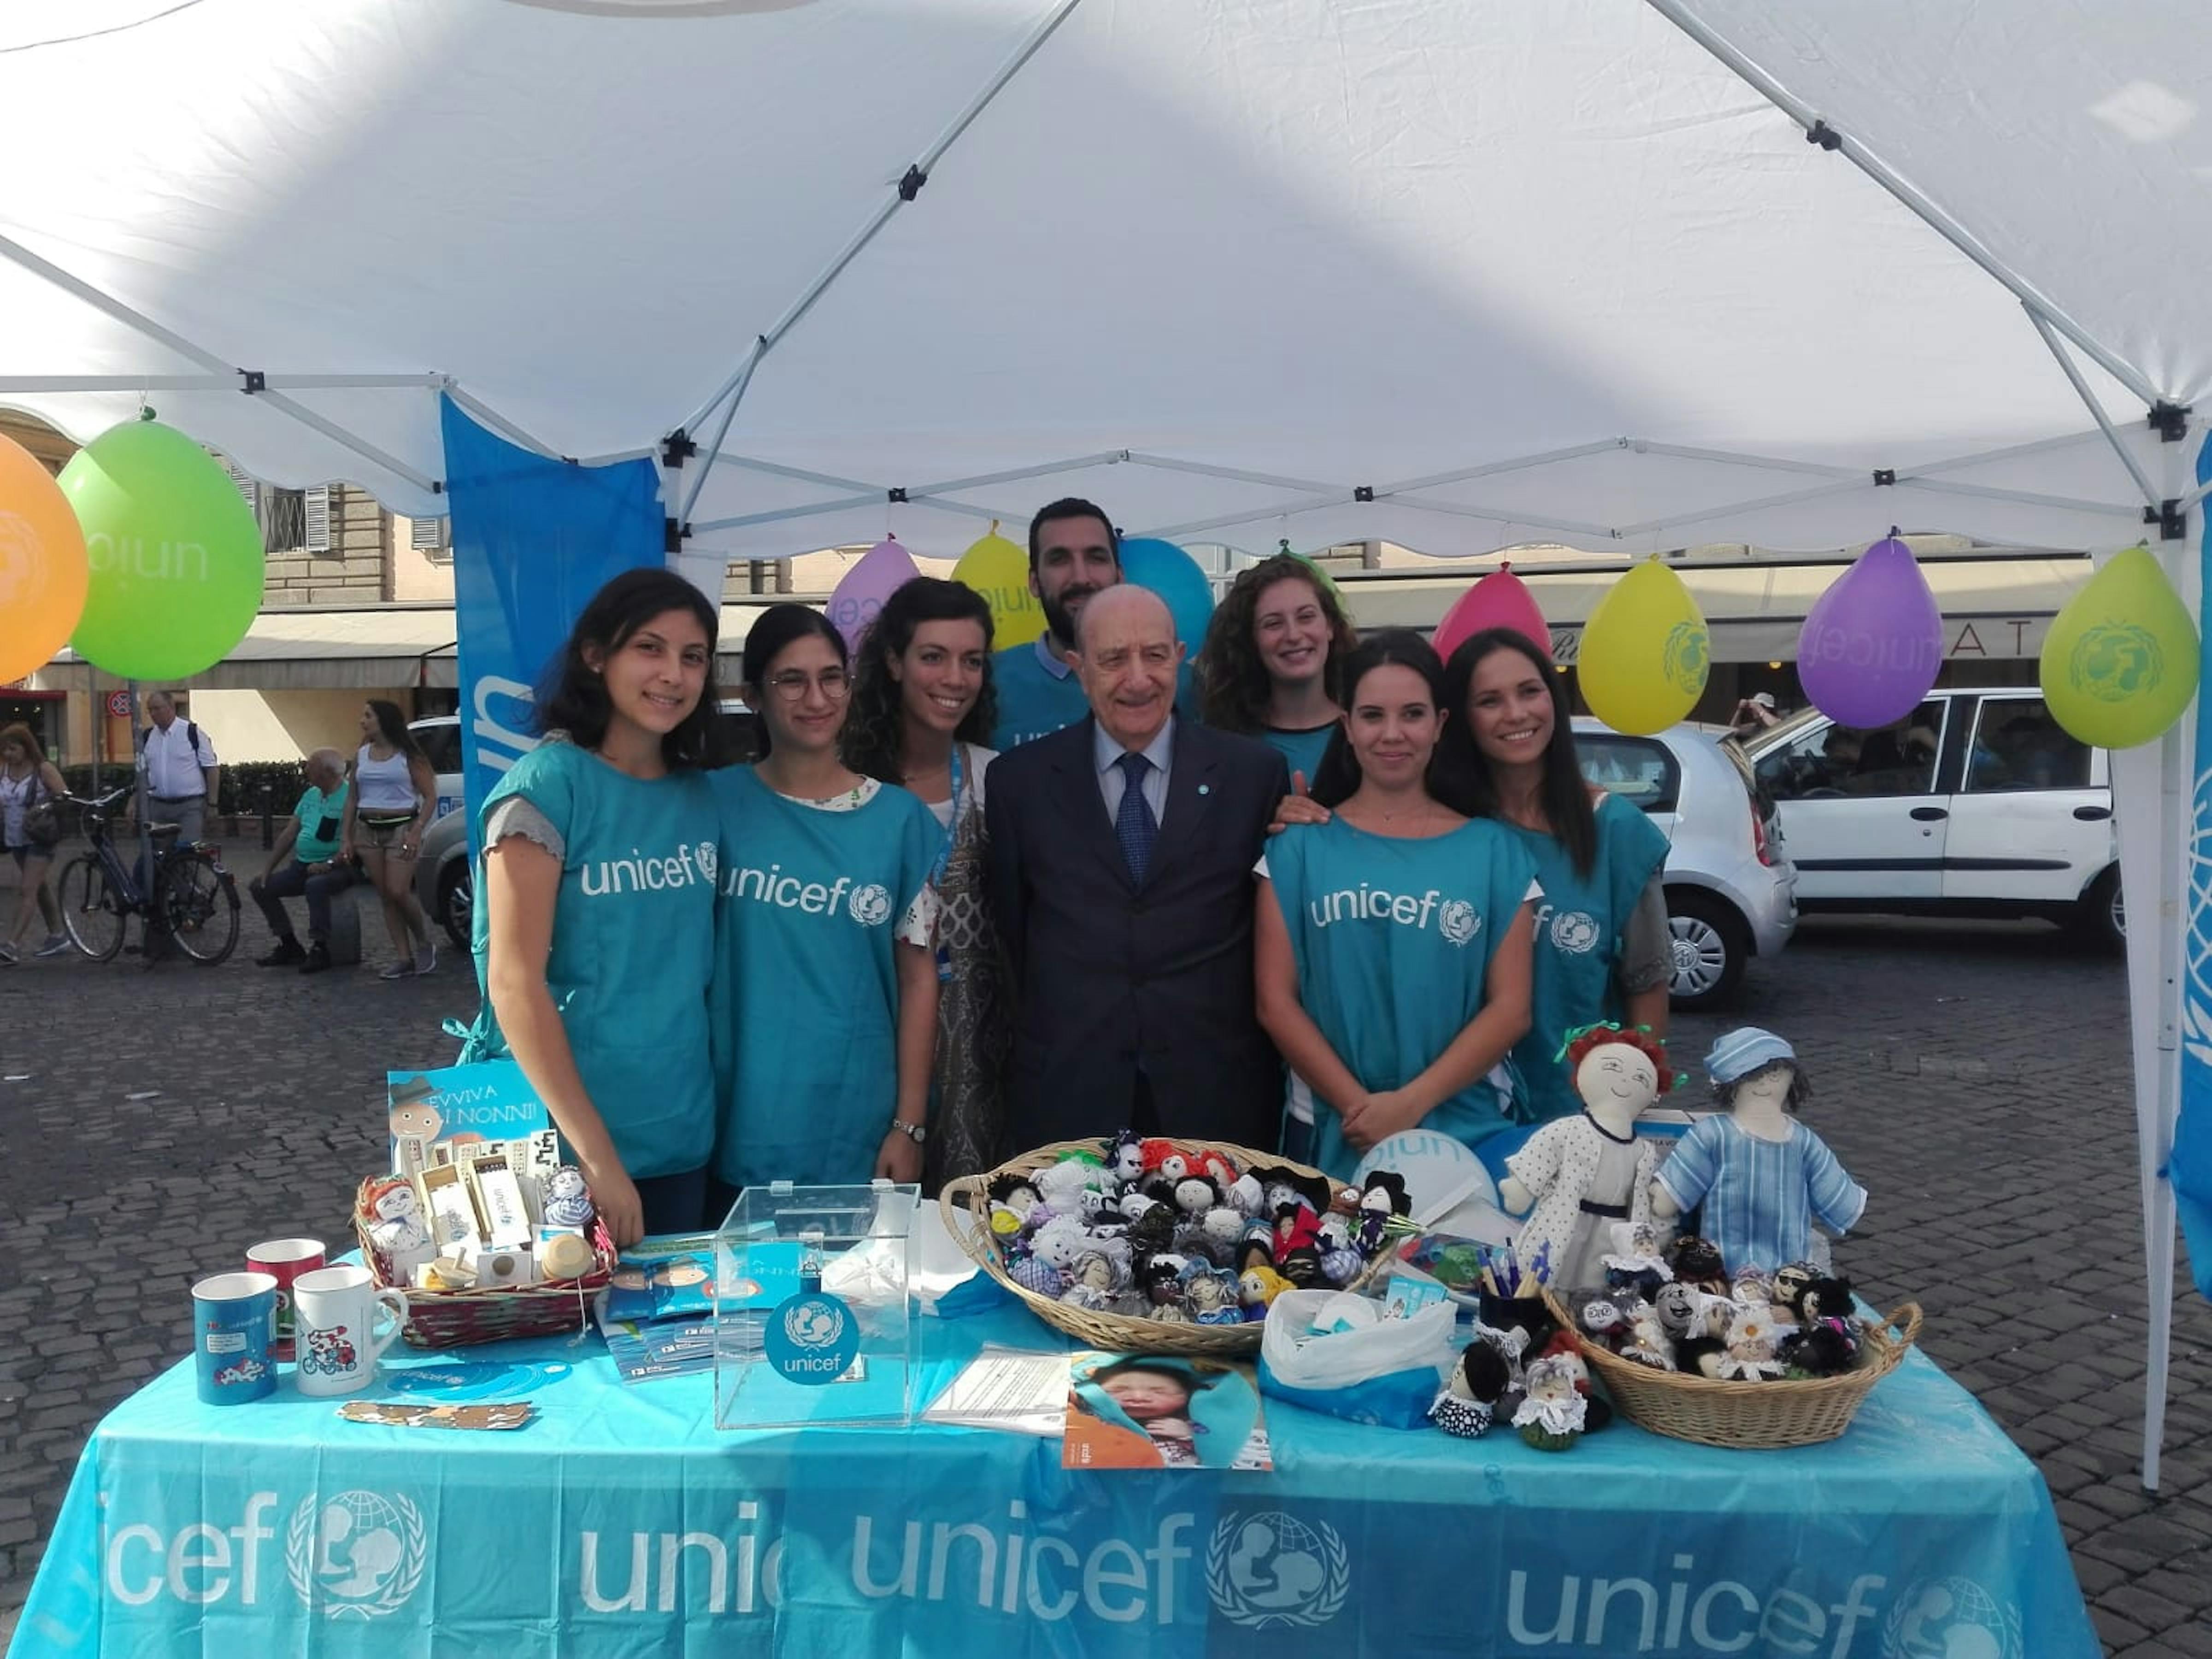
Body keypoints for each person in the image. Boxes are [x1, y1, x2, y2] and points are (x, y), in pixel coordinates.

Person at [465, 567, 725, 1246]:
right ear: (595, 656)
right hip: (572, 1151)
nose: (673, 674)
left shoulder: (699, 796)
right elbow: (513, 981)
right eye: (650, 647)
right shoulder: (546, 789)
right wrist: (596, 1158)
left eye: (693, 657)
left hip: (682, 1133)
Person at [987, 585, 1289, 1150]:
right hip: (1069, 1096)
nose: (1138, 678)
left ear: (1179, 657)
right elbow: (1014, 939)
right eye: (1113, 659)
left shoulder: (1253, 777)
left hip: (1215, 1096)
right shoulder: (1017, 783)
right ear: (1079, 669)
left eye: (1154, 655)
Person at [1254, 631, 1537, 1178]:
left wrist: (1409, 1106)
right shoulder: (1297, 848)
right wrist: (1362, 1111)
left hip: (1470, 1139)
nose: (1392, 734)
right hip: (1335, 1137)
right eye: (1372, 715)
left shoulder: (1496, 851)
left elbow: (1511, 1009)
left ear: (1440, 725)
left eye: (1412, 714)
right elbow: (1275, 1002)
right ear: (1347, 727)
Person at [709, 604, 941, 1208]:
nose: (816, 698)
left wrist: (909, 1124)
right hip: (735, 1122)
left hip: (856, 1128)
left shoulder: (900, 822)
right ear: (753, 695)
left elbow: (919, 979)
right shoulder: (711, 805)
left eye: (831, 677)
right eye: (792, 680)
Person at [1434, 629, 1673, 1130]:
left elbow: (1647, 982)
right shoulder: (1449, 825)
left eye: (1529, 691)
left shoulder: (1618, 831)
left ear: (1553, 699)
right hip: (1462, 1114)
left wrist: (1631, 1105)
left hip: (1581, 1117)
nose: (1517, 714)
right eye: (1490, 701)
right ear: (1461, 718)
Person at [843, 577, 1009, 1191]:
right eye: (933, 657)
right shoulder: (846, 781)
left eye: (971, 661)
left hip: (980, 1063)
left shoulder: (997, 780)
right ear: (893, 662)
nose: (955, 678)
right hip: (871, 1052)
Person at [987, 497, 1196, 751]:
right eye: (1059, 560)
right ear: (1034, 581)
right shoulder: (990, 682)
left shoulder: (1182, 684)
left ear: (1120, 576)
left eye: (1096, 558)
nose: (1081, 577)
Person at [1194, 551, 1359, 784]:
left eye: (1306, 617)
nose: (1293, 635)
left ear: (1329, 626)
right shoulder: (1218, 746)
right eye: (1273, 624)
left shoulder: (1369, 732)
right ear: (1251, 640)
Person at [341, 700, 441, 980]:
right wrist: (346, 838)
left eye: (368, 716)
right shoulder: (361, 755)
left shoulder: (408, 755)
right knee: (386, 896)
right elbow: (352, 800)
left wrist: (417, 828)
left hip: (401, 828)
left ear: (384, 720)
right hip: (368, 831)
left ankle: (423, 941)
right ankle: (403, 957)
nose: (363, 721)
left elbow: (430, 796)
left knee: (398, 890)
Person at [248, 747, 355, 974]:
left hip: (337, 867)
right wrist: (268, 869)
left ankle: (320, 947)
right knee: (260, 887)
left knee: (315, 886)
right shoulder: (310, 795)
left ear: (326, 772)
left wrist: (328, 865)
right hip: (302, 866)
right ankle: (289, 944)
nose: (306, 769)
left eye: (311, 765)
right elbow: (290, 833)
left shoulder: (349, 798)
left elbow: (352, 844)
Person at [0, 724, 68, 964]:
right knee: (39, 888)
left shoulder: (43, 770)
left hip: (40, 836)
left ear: (26, 747)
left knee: (27, 890)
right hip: (16, 839)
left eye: (13, 748)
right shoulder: (4, 770)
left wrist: (43, 807)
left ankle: (12, 945)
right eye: (5, 749)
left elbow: (64, 797)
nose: (9, 754)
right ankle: (58, 936)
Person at [137, 690, 218, 847]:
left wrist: (213, 804)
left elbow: (212, 769)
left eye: (157, 709)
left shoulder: (192, 733)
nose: (153, 714)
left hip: (189, 806)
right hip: (158, 806)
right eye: (150, 710)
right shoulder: (148, 737)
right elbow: (143, 773)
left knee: (186, 852)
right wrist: (134, 801)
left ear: (171, 707)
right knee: (159, 855)